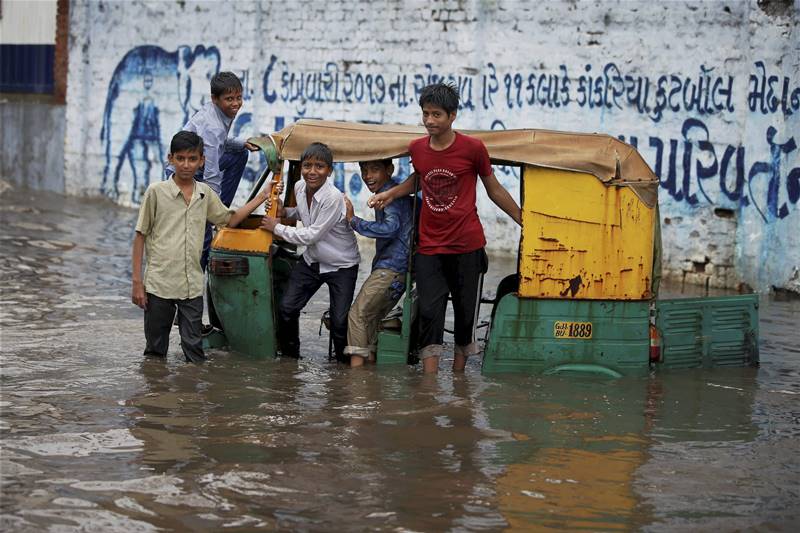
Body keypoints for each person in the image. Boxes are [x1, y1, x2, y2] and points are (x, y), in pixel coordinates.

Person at [369, 82, 522, 374]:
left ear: (452, 116)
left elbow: (494, 189)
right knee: (429, 311)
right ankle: (429, 383)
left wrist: (522, 218)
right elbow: (419, 178)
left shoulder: (473, 149)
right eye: (425, 114)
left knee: (465, 315)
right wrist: (391, 194)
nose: (429, 120)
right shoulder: (417, 149)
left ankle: (458, 378)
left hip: (467, 244)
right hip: (430, 246)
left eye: (436, 114)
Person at [132, 131, 271, 363]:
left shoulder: (205, 194)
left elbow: (229, 219)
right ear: (170, 159)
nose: (186, 165)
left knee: (194, 351)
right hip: (159, 284)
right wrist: (137, 283)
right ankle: (155, 386)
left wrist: (262, 197)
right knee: (155, 352)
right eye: (180, 158)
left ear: (202, 161)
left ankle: (192, 387)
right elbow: (140, 236)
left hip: (192, 286)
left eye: (192, 159)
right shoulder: (155, 192)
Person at [260, 142, 360, 363]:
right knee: (287, 308)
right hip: (312, 260)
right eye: (307, 166)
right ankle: (289, 361)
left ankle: (342, 369)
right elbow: (304, 212)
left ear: (329, 171)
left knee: (339, 322)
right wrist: (285, 211)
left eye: (319, 166)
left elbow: (312, 235)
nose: (312, 171)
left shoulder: (333, 197)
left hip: (342, 265)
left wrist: (276, 227)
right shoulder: (299, 187)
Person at [165, 71, 259, 270]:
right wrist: (213, 210)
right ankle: (196, 269)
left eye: (238, 97)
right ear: (215, 99)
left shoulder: (220, 113)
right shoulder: (213, 125)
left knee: (240, 154)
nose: (236, 103)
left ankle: (219, 211)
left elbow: (218, 146)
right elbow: (211, 173)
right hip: (185, 171)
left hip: (200, 165)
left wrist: (242, 143)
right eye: (229, 99)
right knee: (202, 230)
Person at [343, 159, 414, 367]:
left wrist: (354, 220)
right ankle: (369, 373)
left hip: (391, 267)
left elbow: (390, 228)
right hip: (400, 269)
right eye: (364, 170)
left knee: (357, 315)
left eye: (374, 170)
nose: (368, 176)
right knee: (372, 318)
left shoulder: (390, 195)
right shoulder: (395, 192)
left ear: (389, 170)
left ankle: (355, 377)